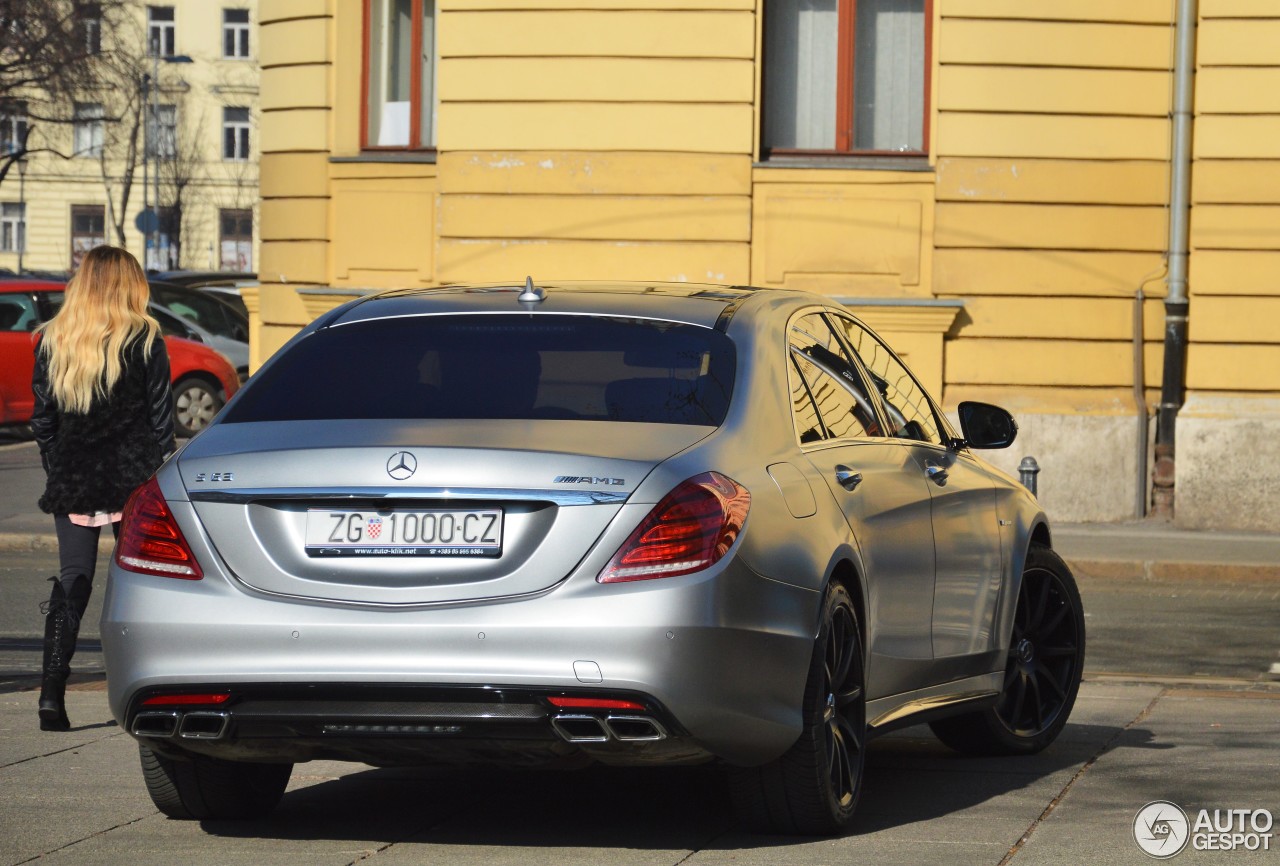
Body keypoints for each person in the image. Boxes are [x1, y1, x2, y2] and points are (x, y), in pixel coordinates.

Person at [30, 246, 175, 731]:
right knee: (138, 580)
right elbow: (160, 423)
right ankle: (143, 689)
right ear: (128, 284)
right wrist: (158, 476)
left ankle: (51, 693)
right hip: (133, 478)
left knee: (74, 579)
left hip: (76, 474)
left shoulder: (54, 338)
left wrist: (61, 469)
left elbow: (43, 421)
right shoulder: (146, 338)